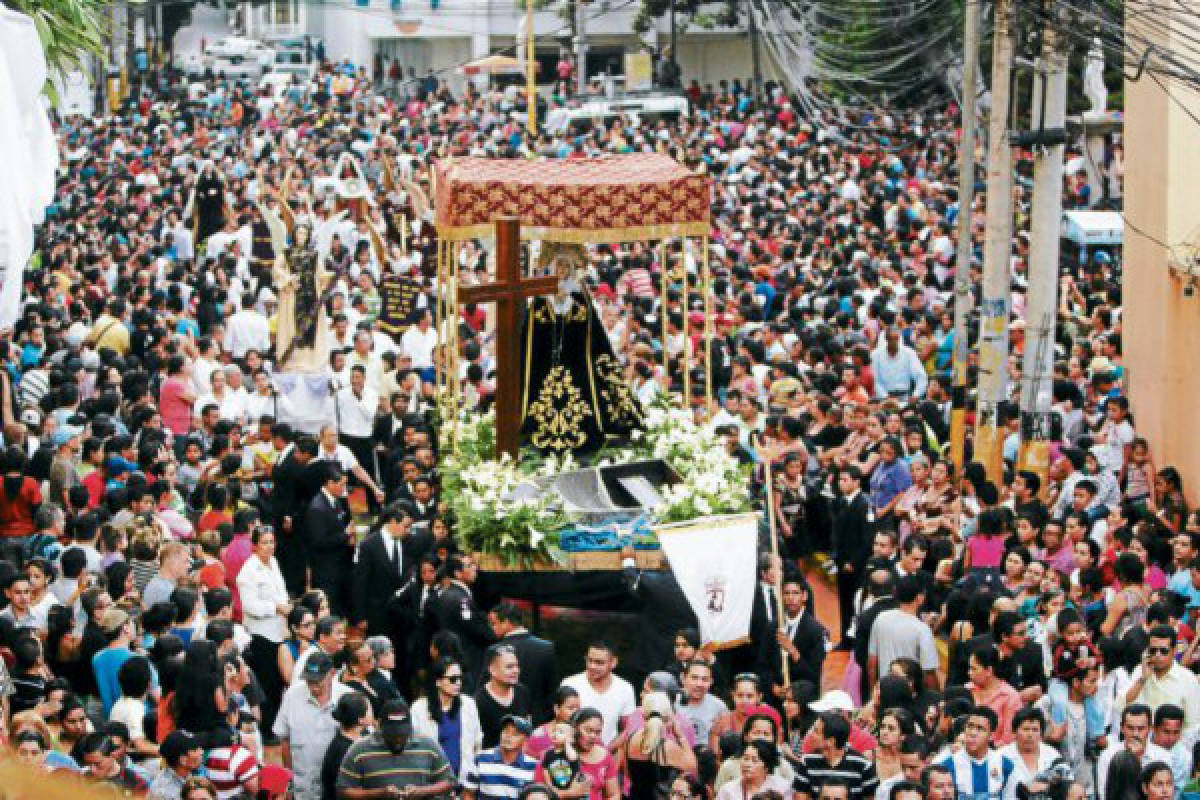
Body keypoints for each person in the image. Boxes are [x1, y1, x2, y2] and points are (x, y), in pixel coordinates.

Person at [337, 697, 457, 800]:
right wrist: (379, 794)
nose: (398, 740)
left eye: (402, 735)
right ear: (379, 726)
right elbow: (343, 790)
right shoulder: (359, 749)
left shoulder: (428, 745)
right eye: (392, 735)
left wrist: (422, 791)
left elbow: (449, 781)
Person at [274, 652, 350, 800]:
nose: (313, 686)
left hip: (338, 786)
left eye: (318, 681)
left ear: (332, 674)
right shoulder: (292, 695)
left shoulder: (347, 697)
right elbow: (284, 740)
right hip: (304, 787)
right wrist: (289, 780)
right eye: (309, 681)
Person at [236, 524, 290, 733]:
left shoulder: (274, 563)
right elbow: (250, 606)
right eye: (264, 542)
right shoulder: (248, 572)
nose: (269, 546)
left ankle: (275, 725)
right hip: (261, 635)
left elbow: (281, 591)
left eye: (272, 542)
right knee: (266, 684)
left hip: (278, 632)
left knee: (278, 683)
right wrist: (275, 607)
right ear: (255, 546)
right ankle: (265, 729)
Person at [412, 656, 484, 783]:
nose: (458, 683)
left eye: (460, 678)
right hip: (431, 782)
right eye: (453, 679)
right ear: (437, 681)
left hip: (463, 780)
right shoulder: (419, 708)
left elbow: (477, 742)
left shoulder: (468, 704)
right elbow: (414, 747)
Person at [560, 641, 636, 747]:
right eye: (589, 660)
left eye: (599, 662)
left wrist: (606, 752)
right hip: (574, 754)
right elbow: (561, 722)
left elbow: (628, 728)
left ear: (613, 662)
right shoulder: (570, 684)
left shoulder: (625, 688)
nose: (592, 666)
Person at [624, 692, 698, 800]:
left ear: (643, 715)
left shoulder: (630, 739)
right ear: (669, 718)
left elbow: (627, 773)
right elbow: (692, 770)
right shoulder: (668, 748)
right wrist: (681, 736)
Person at [303, 464, 354, 617]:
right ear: (330, 483)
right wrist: (345, 535)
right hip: (327, 572)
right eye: (342, 484)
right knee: (330, 612)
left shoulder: (334, 501)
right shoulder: (317, 508)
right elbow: (319, 541)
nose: (344, 488)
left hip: (339, 566)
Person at [794, 711, 879, 800]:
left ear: (830, 741)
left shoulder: (863, 765)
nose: (810, 734)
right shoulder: (807, 762)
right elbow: (800, 797)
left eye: (816, 731)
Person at [463, 714, 539, 800]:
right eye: (506, 731)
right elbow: (468, 793)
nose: (508, 736)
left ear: (525, 740)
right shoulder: (481, 758)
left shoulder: (533, 766)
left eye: (515, 734)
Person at [476, 646, 533, 748]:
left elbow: (528, 728)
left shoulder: (522, 692)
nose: (516, 670)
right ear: (492, 670)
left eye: (517, 666)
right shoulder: (479, 701)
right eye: (509, 667)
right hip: (489, 761)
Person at [321, 691, 373, 800]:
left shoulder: (364, 736)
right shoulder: (342, 750)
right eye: (369, 709)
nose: (372, 712)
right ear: (361, 719)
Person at [718, 739, 792, 800]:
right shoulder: (728, 790)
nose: (747, 764)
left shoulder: (782, 787)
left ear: (767, 767)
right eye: (745, 758)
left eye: (754, 760)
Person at [148, 730, 206, 800]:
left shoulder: (195, 777)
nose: (202, 752)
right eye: (195, 749)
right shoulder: (164, 792)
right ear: (183, 760)